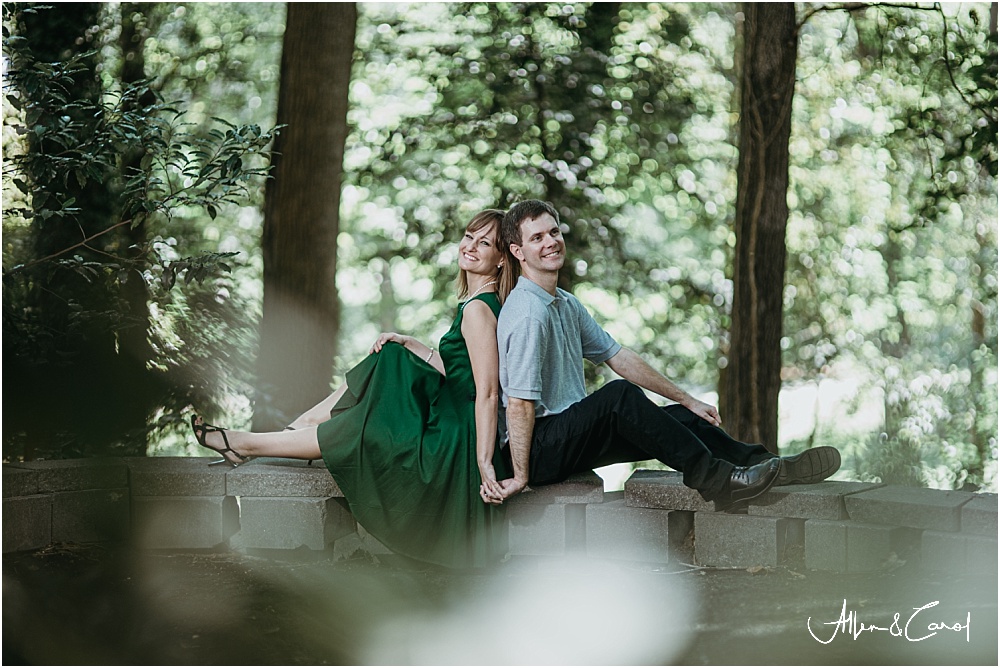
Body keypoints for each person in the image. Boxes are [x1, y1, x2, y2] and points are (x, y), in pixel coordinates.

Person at [191, 209, 514, 568]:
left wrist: (484, 461)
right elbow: (458, 367)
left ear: (502, 258)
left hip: (459, 433)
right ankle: (290, 429)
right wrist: (411, 343)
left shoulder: (479, 311)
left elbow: (487, 390)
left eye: (484, 242)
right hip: (453, 411)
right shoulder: (475, 302)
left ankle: (251, 441)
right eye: (469, 236)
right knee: (392, 354)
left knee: (363, 421)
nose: (470, 246)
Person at [485, 199, 841, 510]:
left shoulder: (564, 303)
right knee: (618, 396)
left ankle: (768, 466)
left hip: (567, 436)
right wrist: (520, 476)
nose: (551, 242)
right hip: (539, 449)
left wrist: (687, 400)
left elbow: (618, 356)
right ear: (518, 252)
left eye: (553, 232)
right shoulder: (528, 313)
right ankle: (722, 483)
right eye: (537, 238)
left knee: (682, 419)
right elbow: (518, 404)